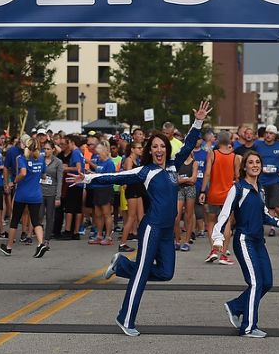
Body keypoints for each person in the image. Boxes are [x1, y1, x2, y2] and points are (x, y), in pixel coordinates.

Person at [67, 99, 212, 337]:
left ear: (166, 149)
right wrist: (88, 179)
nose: (158, 150)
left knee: (166, 273)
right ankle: (125, 318)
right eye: (154, 147)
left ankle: (122, 264)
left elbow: (187, 145)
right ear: (149, 150)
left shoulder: (174, 167)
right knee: (142, 273)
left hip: (167, 231)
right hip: (151, 228)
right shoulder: (145, 172)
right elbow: (116, 176)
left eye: (162, 146)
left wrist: (198, 121)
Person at [211, 150, 279, 338]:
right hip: (243, 240)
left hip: (258, 241)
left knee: (267, 282)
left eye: (258, 162)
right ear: (244, 167)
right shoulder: (238, 188)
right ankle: (248, 327)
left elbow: (263, 214)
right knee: (255, 283)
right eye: (251, 162)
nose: (255, 165)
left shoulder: (259, 188)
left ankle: (236, 306)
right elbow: (224, 215)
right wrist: (218, 238)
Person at [1, 139, 51, 258]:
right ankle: (40, 243)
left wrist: (13, 181)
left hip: (22, 194)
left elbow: (23, 173)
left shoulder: (23, 158)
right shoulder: (41, 159)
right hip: (36, 194)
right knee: (36, 220)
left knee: (15, 220)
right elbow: (44, 175)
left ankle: (8, 247)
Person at [200, 130, 237, 265]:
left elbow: (207, 174)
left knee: (211, 222)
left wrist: (202, 191)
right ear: (229, 141)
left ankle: (213, 250)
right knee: (227, 223)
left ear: (217, 140)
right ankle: (223, 253)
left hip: (213, 194)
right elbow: (237, 178)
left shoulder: (212, 154)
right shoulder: (234, 157)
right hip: (228, 195)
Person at [253, 125, 279, 245]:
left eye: (271, 133)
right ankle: (258, 235)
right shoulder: (258, 145)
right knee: (258, 208)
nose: (268, 135)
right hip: (260, 181)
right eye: (267, 133)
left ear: (275, 135)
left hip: (275, 181)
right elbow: (250, 157)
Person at [116, 139, 145, 252]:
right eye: (138, 148)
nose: (141, 150)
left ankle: (143, 241)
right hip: (132, 190)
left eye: (141, 148)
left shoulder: (137, 160)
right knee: (131, 217)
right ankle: (123, 243)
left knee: (141, 218)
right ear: (132, 149)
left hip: (138, 189)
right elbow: (127, 175)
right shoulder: (129, 160)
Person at [87, 142, 117, 245]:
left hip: (105, 189)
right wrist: (91, 174)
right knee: (98, 214)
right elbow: (99, 172)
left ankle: (108, 236)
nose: (98, 155)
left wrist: (96, 176)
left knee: (106, 213)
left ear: (105, 152)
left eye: (99, 153)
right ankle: (99, 235)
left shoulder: (109, 163)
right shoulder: (99, 161)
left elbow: (109, 177)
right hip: (97, 189)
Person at [39, 142, 63, 248]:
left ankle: (47, 239)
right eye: (45, 149)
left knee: (50, 217)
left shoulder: (58, 162)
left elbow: (60, 180)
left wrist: (58, 196)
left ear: (53, 149)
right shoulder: (40, 159)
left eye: (48, 149)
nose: (46, 151)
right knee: (38, 216)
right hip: (39, 191)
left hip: (51, 192)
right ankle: (39, 237)